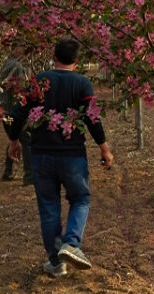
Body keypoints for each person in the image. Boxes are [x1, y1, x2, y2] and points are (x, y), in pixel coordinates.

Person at [6, 38, 114, 277]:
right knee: (81, 199)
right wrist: (104, 148)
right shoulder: (82, 84)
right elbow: (92, 118)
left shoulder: (40, 81)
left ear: (54, 56)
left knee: (48, 207)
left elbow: (17, 113)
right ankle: (72, 244)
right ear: (77, 60)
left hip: (41, 155)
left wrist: (13, 140)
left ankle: (56, 262)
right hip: (72, 156)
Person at [0, 56, 33, 185]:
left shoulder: (8, 63)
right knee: (25, 139)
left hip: (4, 110)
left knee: (15, 138)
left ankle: (8, 172)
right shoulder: (17, 66)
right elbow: (16, 88)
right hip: (13, 110)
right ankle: (29, 175)